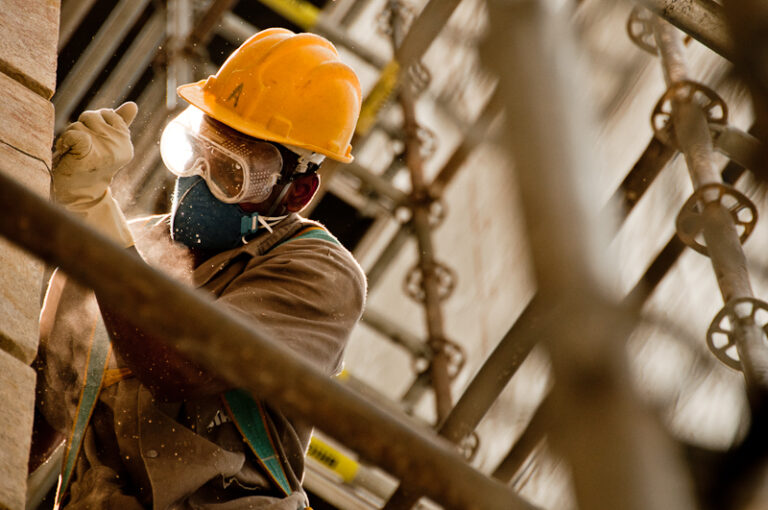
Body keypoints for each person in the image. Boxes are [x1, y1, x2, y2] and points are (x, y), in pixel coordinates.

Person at [33, 27, 366, 509]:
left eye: (232, 173)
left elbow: (181, 367)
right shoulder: (120, 243)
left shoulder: (319, 274)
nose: (198, 179)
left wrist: (98, 241)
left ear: (296, 193)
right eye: (194, 151)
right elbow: (36, 416)